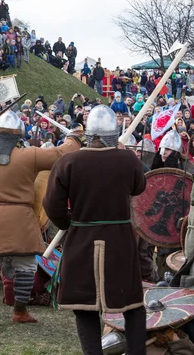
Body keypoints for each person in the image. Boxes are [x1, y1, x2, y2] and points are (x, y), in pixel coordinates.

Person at [43, 105, 146, 355]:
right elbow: (139, 187)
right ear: (113, 133)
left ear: (89, 133)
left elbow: (51, 204)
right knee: (132, 306)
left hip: (82, 239)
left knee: (85, 306)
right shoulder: (127, 160)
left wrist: (70, 223)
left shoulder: (68, 161)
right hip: (119, 241)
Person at [0, 110, 82, 327]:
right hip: (20, 218)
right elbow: (63, 153)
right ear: (19, 134)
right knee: (25, 265)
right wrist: (74, 136)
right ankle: (20, 311)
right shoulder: (29, 155)